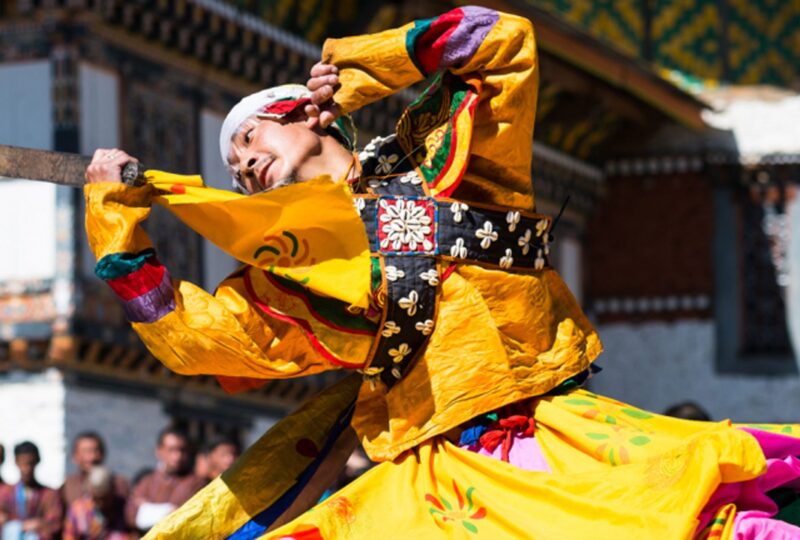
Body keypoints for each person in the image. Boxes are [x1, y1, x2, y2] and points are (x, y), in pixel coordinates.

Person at [83, 6, 800, 538]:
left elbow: (501, 42)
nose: (243, 164)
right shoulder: (295, 277)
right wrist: (118, 227)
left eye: (249, 137)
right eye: (236, 172)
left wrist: (365, 70)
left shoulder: (451, 161)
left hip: (556, 438)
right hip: (435, 478)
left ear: (310, 113)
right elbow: (196, 340)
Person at [123, 428, 205, 535]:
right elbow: (131, 515)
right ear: (159, 451)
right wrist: (167, 510)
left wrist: (146, 508)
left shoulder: (196, 483)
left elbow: (181, 518)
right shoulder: (147, 481)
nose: (177, 456)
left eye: (182, 450)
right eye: (172, 450)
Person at [0, 442, 63, 539]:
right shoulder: (5, 492)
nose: (26, 469)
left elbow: (55, 523)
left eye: (30, 463)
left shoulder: (49, 494)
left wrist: (39, 524)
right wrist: (19, 525)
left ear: (37, 461)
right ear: (16, 462)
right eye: (22, 463)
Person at [60, 432, 128, 509]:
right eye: (86, 451)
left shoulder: (118, 484)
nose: (92, 457)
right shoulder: (68, 486)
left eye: (96, 451)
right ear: (75, 456)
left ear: (103, 454)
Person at [63, 466, 131, 540]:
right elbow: (69, 536)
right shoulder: (77, 510)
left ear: (112, 491)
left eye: (104, 498)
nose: (101, 503)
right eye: (96, 499)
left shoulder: (124, 508)